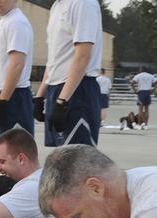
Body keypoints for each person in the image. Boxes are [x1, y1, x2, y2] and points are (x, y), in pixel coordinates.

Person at [34, 0, 102, 148]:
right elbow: (54, 56)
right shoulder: (57, 6)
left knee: (77, 159)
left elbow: (83, 55)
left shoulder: (83, 3)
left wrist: (62, 101)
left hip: (77, 90)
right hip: (56, 89)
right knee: (60, 159)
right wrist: (40, 95)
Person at [0, 0, 35, 145]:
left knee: (15, 153)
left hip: (13, 97)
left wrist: (3, 101)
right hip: (0, 95)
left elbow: (17, 64)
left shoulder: (16, 23)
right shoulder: (1, 23)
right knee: (1, 152)